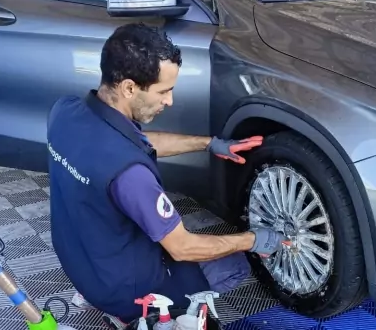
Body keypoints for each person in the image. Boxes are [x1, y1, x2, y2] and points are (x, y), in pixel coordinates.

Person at [46, 23, 288, 323]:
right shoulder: (130, 174)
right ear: (129, 87)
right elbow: (183, 247)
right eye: (164, 91)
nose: (169, 101)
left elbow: (138, 144)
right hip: (123, 289)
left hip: (78, 262)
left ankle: (97, 294)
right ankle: (129, 316)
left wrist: (210, 144)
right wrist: (252, 239)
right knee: (234, 266)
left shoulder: (65, 111)